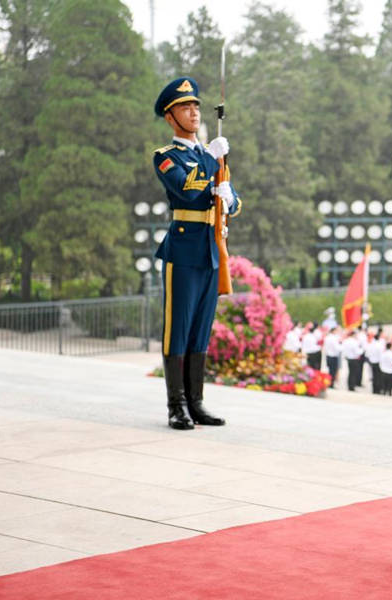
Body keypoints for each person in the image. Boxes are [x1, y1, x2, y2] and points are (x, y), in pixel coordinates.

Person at [153, 77, 241, 430]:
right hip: (183, 251)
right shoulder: (166, 157)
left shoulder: (211, 156)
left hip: (210, 249)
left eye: (196, 106)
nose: (193, 112)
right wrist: (208, 157)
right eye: (185, 107)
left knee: (201, 331)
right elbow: (186, 190)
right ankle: (176, 406)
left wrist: (229, 197)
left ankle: (196, 403)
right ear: (170, 117)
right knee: (178, 329)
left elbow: (232, 200)